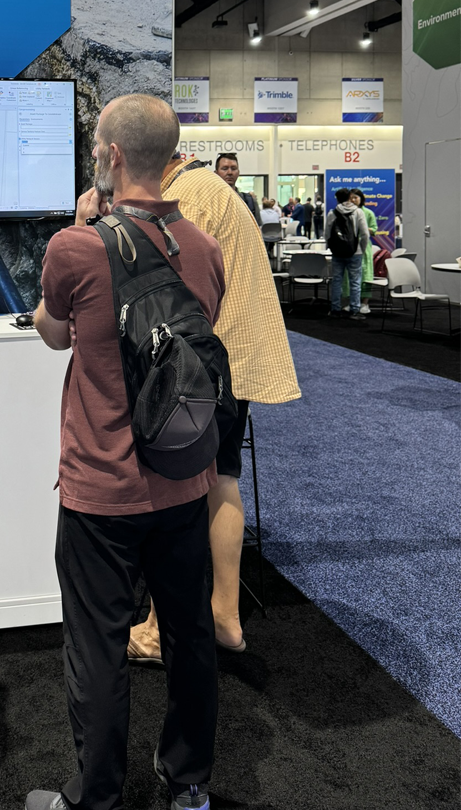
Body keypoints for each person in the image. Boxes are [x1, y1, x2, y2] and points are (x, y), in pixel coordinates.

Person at [27, 93, 221, 810]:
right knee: (188, 637)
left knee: (97, 648)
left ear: (108, 156)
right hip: (182, 479)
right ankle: (188, 785)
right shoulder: (204, 248)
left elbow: (53, 333)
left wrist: (85, 227)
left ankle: (98, 798)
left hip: (99, 490)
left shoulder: (74, 246)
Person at [127, 148, 300, 664]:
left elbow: (167, 285)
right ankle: (224, 615)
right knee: (221, 478)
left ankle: (160, 631)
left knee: (174, 489)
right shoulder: (211, 189)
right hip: (231, 362)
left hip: (202, 368)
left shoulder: (187, 196)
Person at [326, 187, 368, 320]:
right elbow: (365, 234)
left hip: (337, 252)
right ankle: (355, 310)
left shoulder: (332, 213)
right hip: (355, 252)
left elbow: (327, 234)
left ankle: (335, 309)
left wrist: (331, 247)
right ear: (349, 197)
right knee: (355, 281)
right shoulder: (358, 212)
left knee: (337, 280)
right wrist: (362, 248)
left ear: (337, 199)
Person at [214, 153, 260, 222]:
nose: (230, 172)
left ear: (238, 172)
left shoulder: (249, 201)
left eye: (233, 168)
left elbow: (257, 229)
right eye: (224, 168)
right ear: (216, 173)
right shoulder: (210, 201)